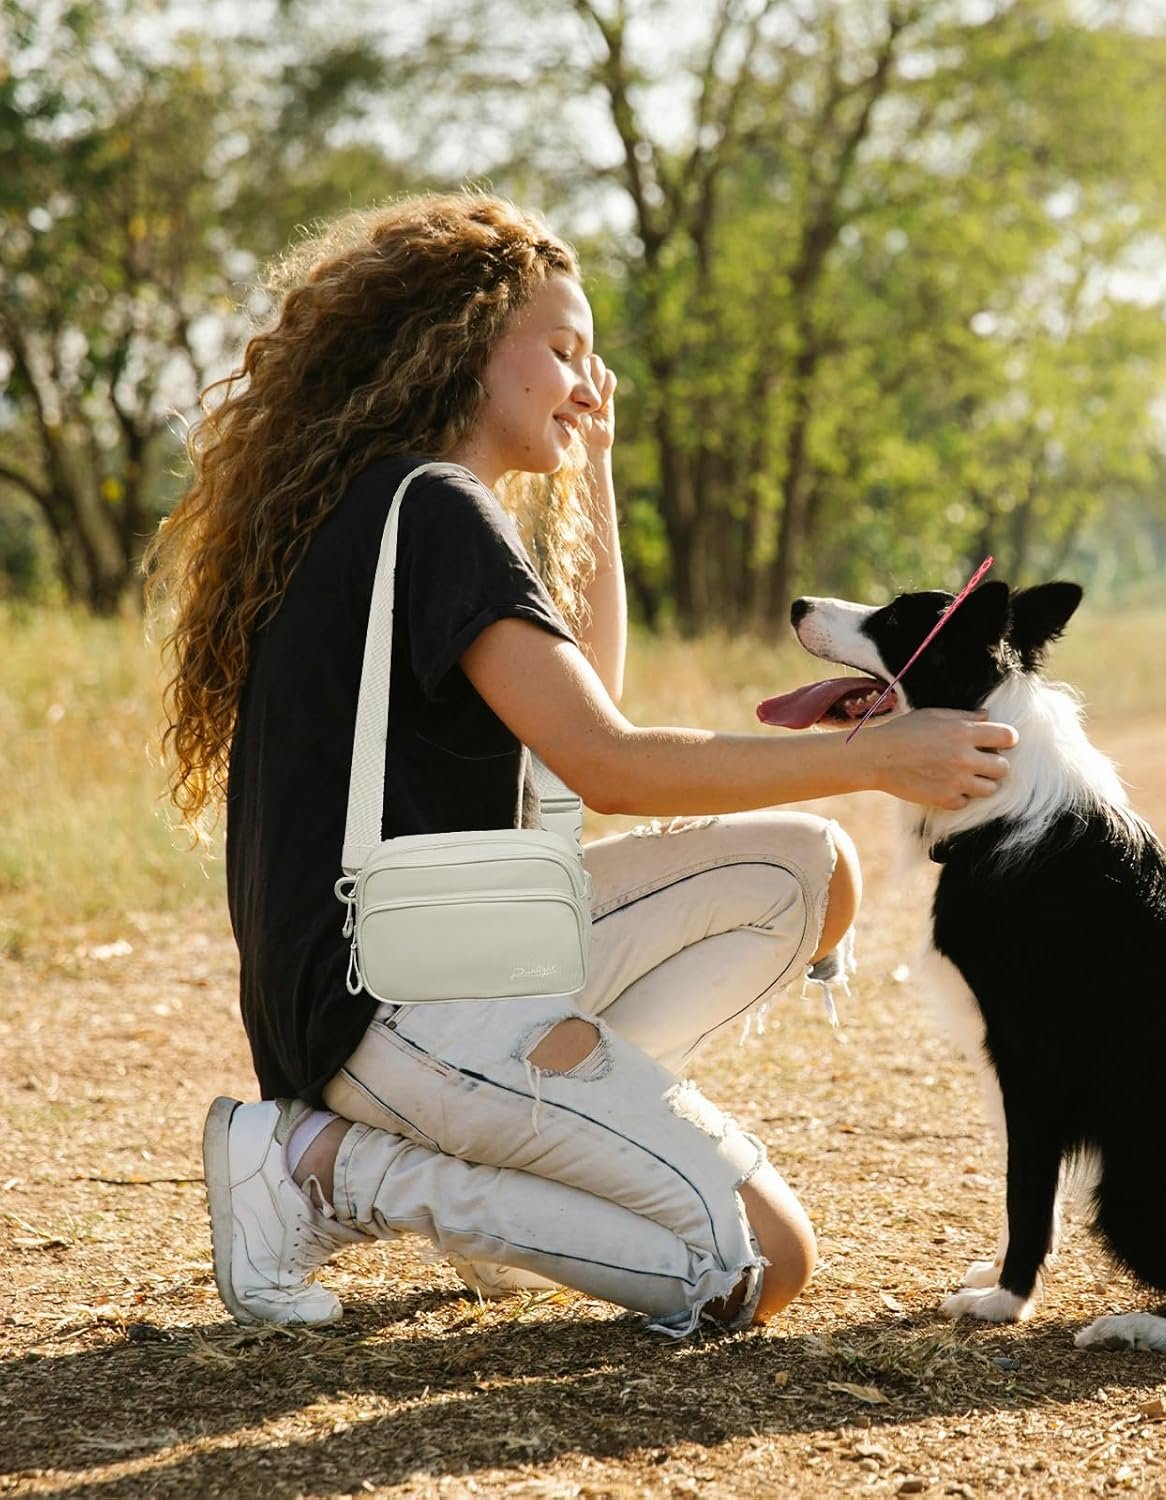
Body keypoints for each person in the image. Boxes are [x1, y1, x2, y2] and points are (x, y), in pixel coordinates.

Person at [145, 191, 1016, 1337]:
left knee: (808, 874)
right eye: (562, 351)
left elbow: (584, 713)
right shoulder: (436, 509)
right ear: (460, 346)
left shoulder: (401, 506)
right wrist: (875, 753)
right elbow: (610, 765)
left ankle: (542, 1161)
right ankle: (330, 1170)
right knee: (760, 1264)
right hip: (390, 1002)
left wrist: (593, 466)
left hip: (446, 954)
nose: (586, 382)